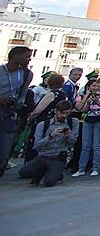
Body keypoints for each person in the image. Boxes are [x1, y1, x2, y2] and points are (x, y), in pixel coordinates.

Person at [17, 100, 76, 187]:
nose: (64, 116)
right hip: (43, 155)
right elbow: (36, 145)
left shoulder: (73, 122)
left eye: (67, 113)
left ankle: (55, 173)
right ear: (55, 111)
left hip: (58, 156)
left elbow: (73, 142)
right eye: (62, 113)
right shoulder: (43, 124)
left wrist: (69, 135)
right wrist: (50, 136)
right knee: (24, 172)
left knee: (49, 182)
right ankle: (45, 171)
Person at [71, 76, 100, 178]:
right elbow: (84, 109)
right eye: (99, 83)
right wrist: (88, 100)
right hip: (88, 120)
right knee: (85, 146)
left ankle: (95, 168)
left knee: (97, 146)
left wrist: (98, 102)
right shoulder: (91, 94)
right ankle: (81, 169)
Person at [1, 46, 33, 179]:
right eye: (26, 56)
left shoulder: (26, 74)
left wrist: (17, 104)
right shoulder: (1, 71)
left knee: (4, 149)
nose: (29, 59)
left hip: (9, 113)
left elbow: (23, 94)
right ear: (15, 56)